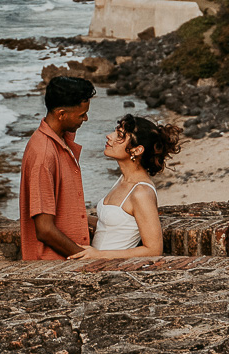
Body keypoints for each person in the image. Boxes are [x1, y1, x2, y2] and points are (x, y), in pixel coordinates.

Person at [73, 111, 182, 262]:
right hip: (95, 266)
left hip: (111, 271)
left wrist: (98, 254)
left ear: (137, 150)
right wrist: (76, 216)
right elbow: (113, 226)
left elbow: (154, 249)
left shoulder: (141, 192)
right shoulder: (122, 180)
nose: (109, 136)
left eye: (120, 135)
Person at [19, 75, 96, 261]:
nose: (85, 118)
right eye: (81, 114)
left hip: (65, 264)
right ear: (61, 114)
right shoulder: (44, 154)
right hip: (52, 265)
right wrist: (84, 256)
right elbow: (44, 229)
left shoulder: (60, 142)